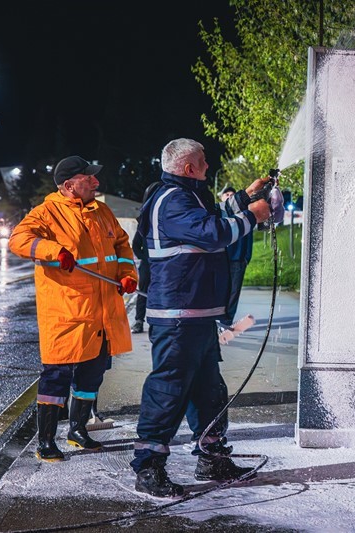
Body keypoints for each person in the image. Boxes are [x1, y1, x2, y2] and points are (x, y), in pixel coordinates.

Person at [130, 138, 271, 498]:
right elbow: (213, 233)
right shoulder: (172, 199)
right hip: (178, 316)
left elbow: (213, 216)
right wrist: (253, 215)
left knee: (208, 391)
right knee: (169, 390)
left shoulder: (188, 196)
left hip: (197, 315)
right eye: (203, 161)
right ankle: (148, 468)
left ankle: (211, 458)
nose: (209, 165)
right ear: (189, 168)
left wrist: (245, 197)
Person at [8, 155, 138, 462]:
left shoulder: (102, 212)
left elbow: (122, 245)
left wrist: (127, 274)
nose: (96, 181)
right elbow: (18, 240)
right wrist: (54, 251)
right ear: (69, 185)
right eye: (88, 178)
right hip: (67, 313)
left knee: (92, 375)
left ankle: (78, 430)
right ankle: (45, 441)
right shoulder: (46, 213)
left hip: (102, 313)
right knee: (56, 378)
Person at [219, 186, 253, 328]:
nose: (229, 196)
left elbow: (249, 238)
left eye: (232, 194)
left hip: (237, 260)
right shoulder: (217, 213)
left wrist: (246, 258)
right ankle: (216, 319)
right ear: (221, 197)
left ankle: (226, 322)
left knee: (233, 292)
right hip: (220, 259)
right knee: (219, 291)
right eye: (226, 194)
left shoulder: (243, 216)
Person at [131, 182, 161, 334]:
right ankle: (139, 321)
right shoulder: (144, 222)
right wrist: (146, 258)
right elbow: (136, 245)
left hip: (165, 265)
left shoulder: (168, 219)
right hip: (148, 265)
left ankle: (160, 322)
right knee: (143, 292)